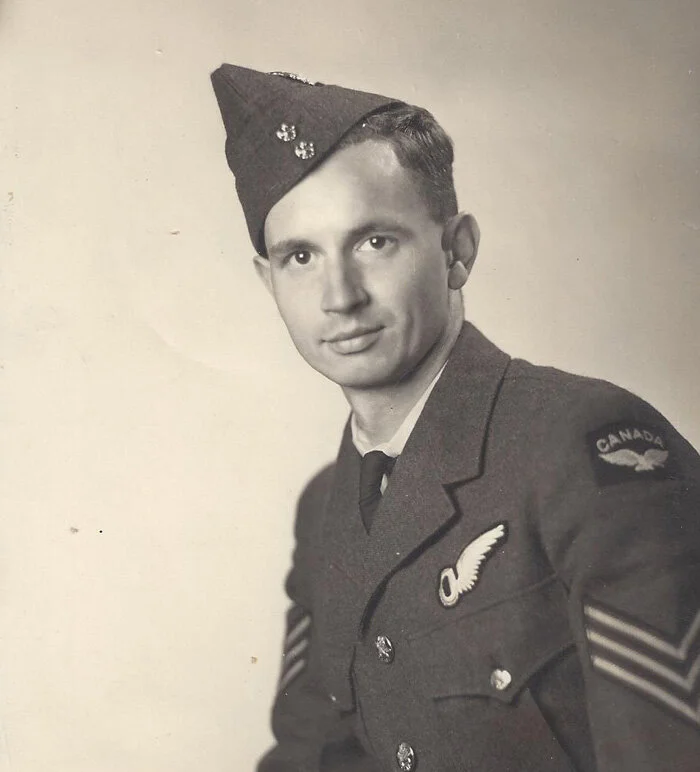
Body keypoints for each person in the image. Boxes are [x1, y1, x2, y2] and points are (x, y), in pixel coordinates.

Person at [210, 63, 700, 771]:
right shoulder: (327, 509)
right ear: (269, 282)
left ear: (457, 252)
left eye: (374, 242)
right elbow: (311, 756)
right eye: (301, 256)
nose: (339, 296)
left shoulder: (583, 448)